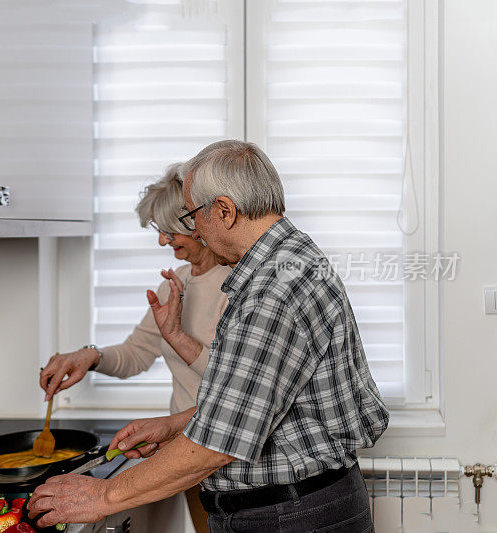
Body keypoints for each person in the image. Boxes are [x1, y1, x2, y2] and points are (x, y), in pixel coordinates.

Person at [28, 140, 389, 533]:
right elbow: (253, 405)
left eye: (194, 215)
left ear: (224, 210)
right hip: (297, 506)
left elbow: (217, 443)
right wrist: (173, 425)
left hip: (290, 515)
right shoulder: (287, 262)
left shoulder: (272, 291)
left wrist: (102, 496)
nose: (193, 229)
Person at [39, 163, 231, 533]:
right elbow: (137, 353)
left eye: (168, 230)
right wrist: (89, 356)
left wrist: (178, 336)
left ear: (197, 223)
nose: (162, 241)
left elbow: (239, 387)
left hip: (224, 454)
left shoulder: (236, 288)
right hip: (185, 451)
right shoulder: (175, 285)